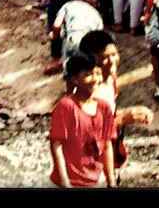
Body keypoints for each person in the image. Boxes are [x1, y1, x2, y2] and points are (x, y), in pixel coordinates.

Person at [48, 55, 116, 188]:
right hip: (68, 182)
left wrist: (111, 181)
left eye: (97, 73)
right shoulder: (66, 107)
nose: (95, 79)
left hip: (95, 181)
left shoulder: (104, 108)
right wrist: (64, 182)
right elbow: (56, 145)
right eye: (88, 74)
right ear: (74, 79)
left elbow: (107, 145)